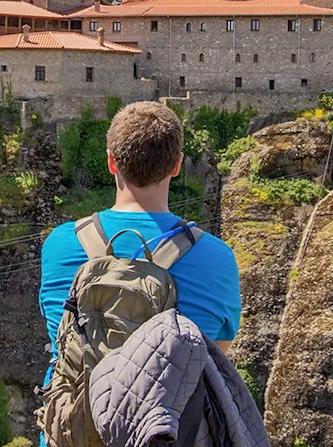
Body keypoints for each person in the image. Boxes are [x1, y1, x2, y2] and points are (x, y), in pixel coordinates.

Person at [38, 99, 242, 372]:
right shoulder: (218, 258)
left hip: (75, 410)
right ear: (177, 165)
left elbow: (58, 333)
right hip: (170, 414)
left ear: (111, 161)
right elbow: (216, 357)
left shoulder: (60, 244)